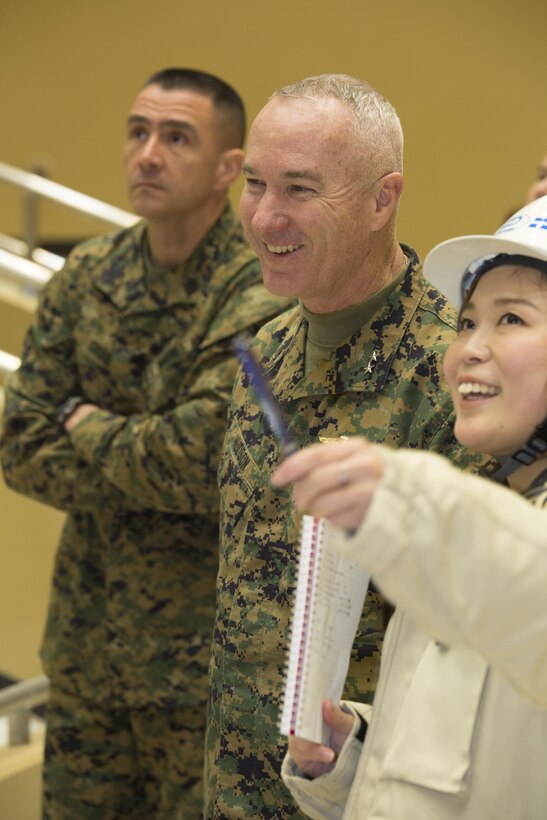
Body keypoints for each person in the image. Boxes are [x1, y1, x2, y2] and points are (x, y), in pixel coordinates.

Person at [0, 67, 292, 819]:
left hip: (203, 672)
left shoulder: (256, 287)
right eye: (137, 132)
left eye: (175, 137)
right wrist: (148, 454)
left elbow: (200, 460)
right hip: (87, 655)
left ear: (231, 168)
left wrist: (85, 421)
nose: (147, 155)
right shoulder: (89, 275)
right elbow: (19, 442)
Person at [204, 73, 490, 818]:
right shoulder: (264, 351)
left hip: (368, 792)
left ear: (381, 199)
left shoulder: (455, 373)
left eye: (299, 188)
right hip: (236, 783)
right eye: (256, 183)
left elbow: (463, 640)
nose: (266, 217)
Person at [276, 195, 547, 819]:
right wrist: (355, 757)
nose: (469, 350)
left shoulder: (460, 527)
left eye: (511, 320)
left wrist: (407, 495)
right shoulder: (483, 526)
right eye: (468, 321)